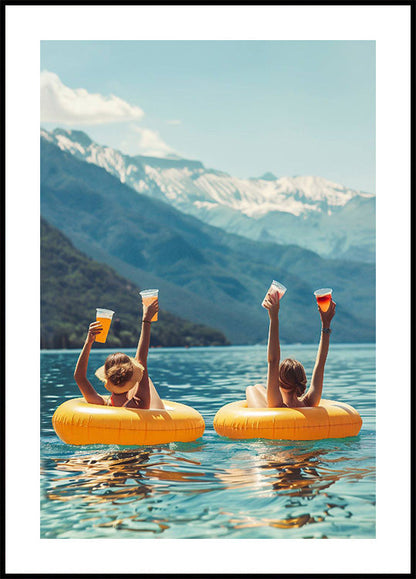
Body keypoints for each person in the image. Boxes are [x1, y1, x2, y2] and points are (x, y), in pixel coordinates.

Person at [246, 289, 336, 408]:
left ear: (278, 381)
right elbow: (320, 362)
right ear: (303, 380)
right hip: (301, 407)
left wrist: (274, 317)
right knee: (258, 387)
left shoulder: (276, 404)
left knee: (251, 388)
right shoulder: (310, 402)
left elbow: (273, 361)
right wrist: (326, 323)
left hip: (274, 417)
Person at [74, 299, 165, 410]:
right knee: (147, 380)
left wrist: (88, 342)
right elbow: (141, 360)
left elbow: (79, 377)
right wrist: (146, 320)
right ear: (131, 377)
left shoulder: (100, 404)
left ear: (107, 377)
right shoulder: (139, 404)